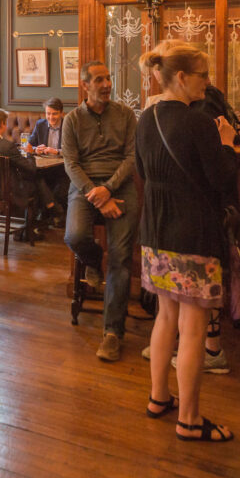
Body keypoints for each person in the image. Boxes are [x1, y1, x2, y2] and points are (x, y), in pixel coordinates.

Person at [136, 42, 236, 442]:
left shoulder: (145, 118)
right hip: (193, 234)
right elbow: (223, 181)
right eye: (203, 76)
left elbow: (143, 172)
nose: (207, 84)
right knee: (194, 329)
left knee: (165, 318)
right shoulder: (198, 122)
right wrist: (226, 141)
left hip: (155, 231)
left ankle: (159, 397)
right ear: (181, 78)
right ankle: (191, 420)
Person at [60, 63, 139, 361]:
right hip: (84, 188)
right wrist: (96, 194)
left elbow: (132, 157)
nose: (106, 84)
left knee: (120, 256)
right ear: (85, 86)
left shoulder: (126, 115)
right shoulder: (72, 120)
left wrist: (109, 188)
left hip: (119, 187)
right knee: (75, 235)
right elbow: (71, 164)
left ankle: (112, 334)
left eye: (108, 78)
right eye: (99, 80)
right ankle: (92, 261)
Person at [0, 107, 56, 238]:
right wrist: (29, 153)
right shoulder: (7, 146)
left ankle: (49, 213)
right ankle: (32, 228)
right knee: (36, 181)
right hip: (8, 195)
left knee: (37, 181)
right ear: (2, 125)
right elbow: (31, 169)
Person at [30, 96, 70, 223]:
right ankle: (53, 213)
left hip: (63, 168)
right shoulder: (40, 124)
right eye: (48, 113)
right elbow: (29, 145)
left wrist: (57, 151)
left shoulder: (68, 126)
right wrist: (36, 149)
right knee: (35, 179)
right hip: (44, 167)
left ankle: (50, 214)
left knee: (60, 189)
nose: (51, 117)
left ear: (61, 113)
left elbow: (75, 151)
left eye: (55, 114)